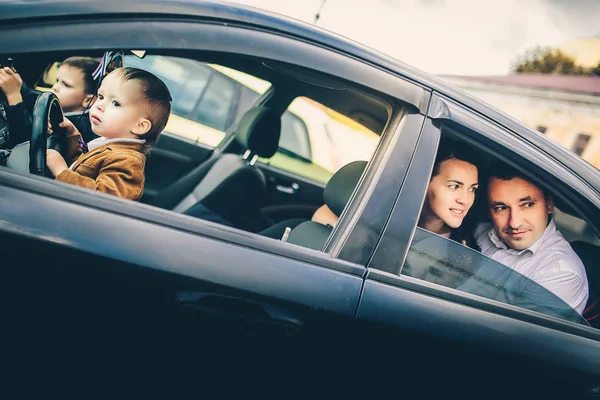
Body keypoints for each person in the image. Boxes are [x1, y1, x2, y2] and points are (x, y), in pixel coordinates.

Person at [473, 162, 589, 314]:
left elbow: (507, 335)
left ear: (549, 204)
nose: (514, 223)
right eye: (501, 208)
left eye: (527, 205)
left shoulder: (559, 273)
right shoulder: (481, 230)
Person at [46, 67, 172, 201]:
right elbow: (84, 169)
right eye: (101, 96)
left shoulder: (127, 161)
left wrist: (61, 172)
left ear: (140, 126)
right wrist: (72, 136)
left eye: (116, 103)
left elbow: (104, 199)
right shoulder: (110, 145)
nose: (99, 105)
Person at [0, 56, 100, 148]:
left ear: (88, 101)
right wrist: (20, 87)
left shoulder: (77, 129)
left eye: (66, 85)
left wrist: (13, 96)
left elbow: (27, 144)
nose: (55, 87)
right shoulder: (60, 109)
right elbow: (36, 99)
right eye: (57, 80)